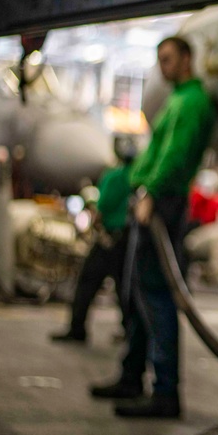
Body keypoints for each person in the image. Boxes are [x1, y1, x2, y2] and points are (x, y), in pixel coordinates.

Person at [89, 36, 215, 419]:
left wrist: (152, 194)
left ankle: (165, 393)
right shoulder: (178, 99)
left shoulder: (192, 101)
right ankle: (132, 377)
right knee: (139, 295)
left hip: (161, 205)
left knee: (156, 296)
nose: (163, 66)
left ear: (187, 59)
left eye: (168, 59)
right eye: (159, 60)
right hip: (152, 202)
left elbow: (175, 156)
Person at [50, 135, 137, 344]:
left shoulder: (113, 177)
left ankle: (77, 329)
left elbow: (101, 209)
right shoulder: (137, 176)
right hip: (128, 240)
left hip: (108, 240)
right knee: (126, 288)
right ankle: (130, 332)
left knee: (87, 283)